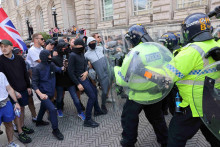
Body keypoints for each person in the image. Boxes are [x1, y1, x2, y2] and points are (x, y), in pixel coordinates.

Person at [162, 13, 220, 147]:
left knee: (175, 139)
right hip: (213, 103)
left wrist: (148, 73)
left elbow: (167, 76)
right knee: (214, 136)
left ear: (190, 31)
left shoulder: (190, 52)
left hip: (192, 107)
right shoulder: (216, 44)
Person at [114, 25, 168, 147]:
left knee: (129, 120)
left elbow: (123, 80)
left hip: (137, 95)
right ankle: (165, 141)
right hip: (155, 93)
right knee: (157, 119)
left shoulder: (134, 54)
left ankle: (128, 142)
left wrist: (117, 68)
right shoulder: (157, 49)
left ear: (133, 38)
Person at [0, 40, 33, 143]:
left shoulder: (19, 58)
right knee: (16, 111)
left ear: (11, 47)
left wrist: (28, 86)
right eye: (1, 47)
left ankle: (21, 126)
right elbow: (4, 80)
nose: (3, 49)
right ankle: (19, 131)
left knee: (22, 109)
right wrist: (14, 91)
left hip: (23, 88)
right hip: (10, 92)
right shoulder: (0, 61)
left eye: (5, 46)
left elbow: (25, 73)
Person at [68, 38, 104, 128]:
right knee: (92, 96)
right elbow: (70, 72)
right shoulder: (72, 55)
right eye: (80, 46)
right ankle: (87, 119)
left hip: (85, 76)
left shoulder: (81, 53)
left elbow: (86, 65)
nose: (82, 47)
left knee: (95, 91)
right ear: (76, 46)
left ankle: (97, 110)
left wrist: (87, 71)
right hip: (80, 79)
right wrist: (78, 84)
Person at [32, 50, 64, 140]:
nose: (51, 57)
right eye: (49, 56)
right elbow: (34, 84)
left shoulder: (51, 65)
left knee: (43, 106)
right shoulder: (37, 68)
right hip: (43, 94)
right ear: (45, 57)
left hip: (50, 92)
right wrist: (41, 94)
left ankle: (38, 121)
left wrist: (64, 67)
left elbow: (59, 69)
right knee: (53, 110)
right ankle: (55, 130)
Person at [52, 42, 86, 119]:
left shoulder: (70, 56)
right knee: (59, 98)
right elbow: (54, 69)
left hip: (70, 82)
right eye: (64, 47)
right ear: (60, 48)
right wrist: (61, 68)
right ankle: (59, 109)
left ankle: (80, 112)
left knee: (75, 98)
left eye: (67, 47)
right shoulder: (54, 59)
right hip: (60, 83)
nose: (66, 49)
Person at [85, 37, 110, 114]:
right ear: (88, 44)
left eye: (94, 42)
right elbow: (85, 65)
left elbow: (108, 50)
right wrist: (89, 68)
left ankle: (104, 101)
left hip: (108, 70)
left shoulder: (100, 48)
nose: (93, 44)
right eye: (91, 43)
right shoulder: (86, 54)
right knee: (105, 90)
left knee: (108, 88)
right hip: (100, 74)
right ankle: (103, 104)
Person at [12, 48, 37, 122]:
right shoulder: (11, 65)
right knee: (19, 106)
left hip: (26, 86)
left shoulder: (26, 63)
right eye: (17, 53)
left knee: (30, 101)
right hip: (16, 89)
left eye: (20, 52)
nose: (20, 54)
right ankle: (18, 123)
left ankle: (35, 116)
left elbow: (30, 74)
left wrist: (34, 86)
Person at [0, 71, 21, 147]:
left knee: (9, 124)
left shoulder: (1, 74)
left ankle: (10, 143)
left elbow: (9, 89)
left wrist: (16, 102)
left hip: (6, 103)